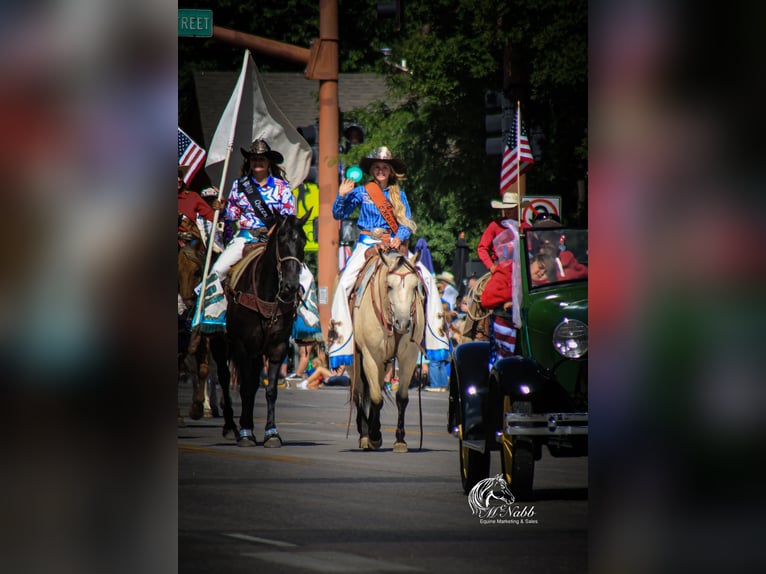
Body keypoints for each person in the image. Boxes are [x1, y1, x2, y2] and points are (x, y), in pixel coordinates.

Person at [327, 146, 449, 369]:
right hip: (367, 243)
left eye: (384, 167)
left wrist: (397, 238)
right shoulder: (362, 191)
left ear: (390, 171)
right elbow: (338, 214)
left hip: (392, 245)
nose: (381, 170)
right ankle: (340, 342)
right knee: (344, 283)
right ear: (372, 170)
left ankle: (436, 339)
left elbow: (407, 223)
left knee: (428, 279)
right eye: (377, 167)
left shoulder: (398, 194)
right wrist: (341, 196)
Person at [210, 139, 296, 282]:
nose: (257, 162)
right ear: (249, 162)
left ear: (269, 162)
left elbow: (289, 217)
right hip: (246, 238)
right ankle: (212, 304)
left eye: (261, 159)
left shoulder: (281, 187)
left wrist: (274, 231)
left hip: (275, 240)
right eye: (254, 159)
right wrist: (223, 209)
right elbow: (232, 215)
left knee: (304, 277)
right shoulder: (239, 185)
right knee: (217, 271)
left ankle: (306, 304)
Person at [178, 165, 222, 246]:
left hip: (191, 245)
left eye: (180, 176)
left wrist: (220, 207)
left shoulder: (192, 197)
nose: (179, 179)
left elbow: (213, 217)